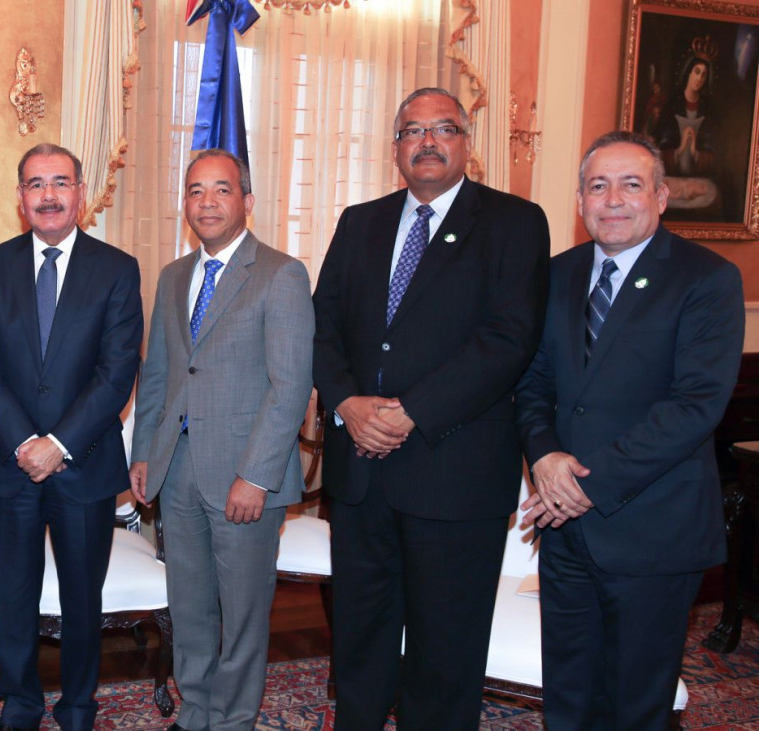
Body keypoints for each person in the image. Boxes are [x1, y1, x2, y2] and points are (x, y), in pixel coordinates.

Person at [312, 87, 549, 729]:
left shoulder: (514, 222)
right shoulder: (360, 221)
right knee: (360, 639)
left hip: (454, 472)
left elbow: (508, 339)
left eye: (443, 128)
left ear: (466, 142)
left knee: (446, 651)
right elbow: (323, 324)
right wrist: (347, 403)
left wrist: (408, 412)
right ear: (395, 148)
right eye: (412, 131)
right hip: (361, 473)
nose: (427, 141)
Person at [515, 130, 744, 729]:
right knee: (567, 692)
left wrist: (586, 484)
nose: (612, 199)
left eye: (631, 184)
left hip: (652, 528)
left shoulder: (707, 280)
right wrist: (544, 456)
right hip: (565, 532)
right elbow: (533, 384)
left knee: (634, 703)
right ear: (581, 200)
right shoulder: (555, 274)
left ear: (662, 197)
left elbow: (695, 406)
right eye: (598, 186)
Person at [0, 143, 143, 731]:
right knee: (14, 593)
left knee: (81, 598)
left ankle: (78, 706)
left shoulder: (117, 268)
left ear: (81, 194)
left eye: (60, 182)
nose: (48, 195)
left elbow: (117, 372)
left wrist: (58, 444)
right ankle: (19, 704)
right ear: (20, 199)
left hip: (84, 464)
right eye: (36, 184)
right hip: (8, 463)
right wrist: (24, 443)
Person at [130, 148, 313, 730]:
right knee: (189, 606)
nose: (206, 202)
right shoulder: (174, 275)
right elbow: (158, 374)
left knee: (241, 613)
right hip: (177, 468)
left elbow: (289, 387)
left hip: (244, 476)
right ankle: (197, 712)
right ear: (184, 203)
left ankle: (233, 719)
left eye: (221, 190)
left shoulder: (281, 274)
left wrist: (256, 475)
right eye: (195, 191)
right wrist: (142, 454)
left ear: (247, 201)